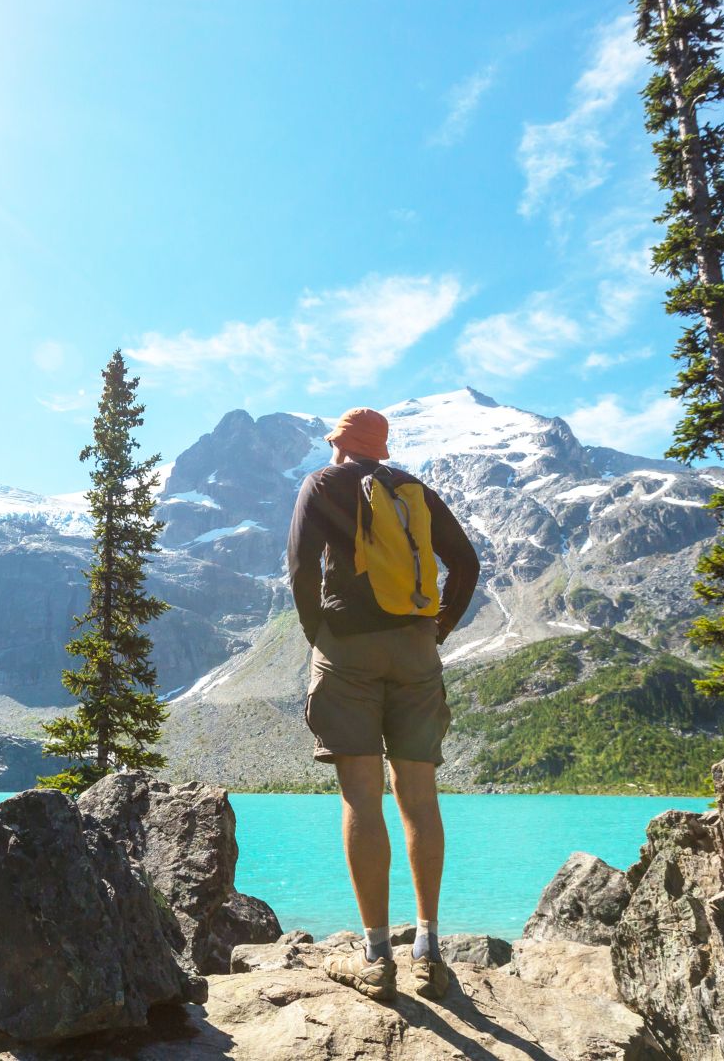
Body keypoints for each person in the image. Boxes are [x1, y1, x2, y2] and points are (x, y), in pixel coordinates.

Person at [286, 406, 480, 1003]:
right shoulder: (413, 490)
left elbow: (298, 566)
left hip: (349, 653)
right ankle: (427, 948)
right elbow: (466, 563)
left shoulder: (322, 483)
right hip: (416, 650)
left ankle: (376, 955)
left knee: (361, 795)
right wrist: (437, 631)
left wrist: (320, 634)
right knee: (419, 798)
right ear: (381, 449)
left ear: (340, 446)